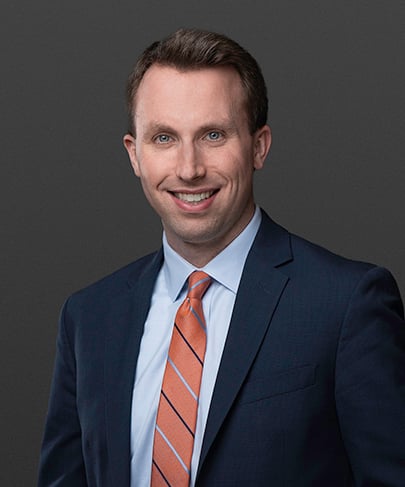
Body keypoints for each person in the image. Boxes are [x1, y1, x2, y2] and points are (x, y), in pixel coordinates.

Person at [38, 28, 405, 486]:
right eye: (164, 138)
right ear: (135, 155)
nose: (189, 169)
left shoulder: (346, 305)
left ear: (258, 146)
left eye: (213, 135)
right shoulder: (89, 318)